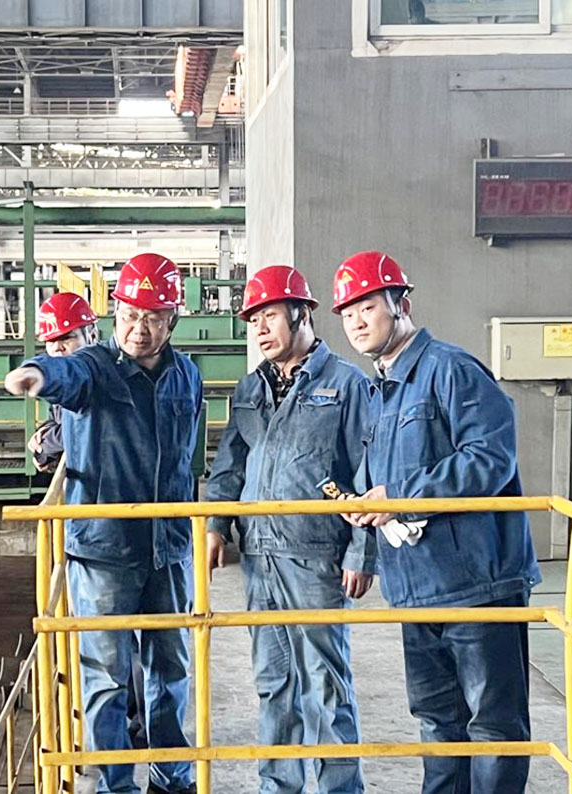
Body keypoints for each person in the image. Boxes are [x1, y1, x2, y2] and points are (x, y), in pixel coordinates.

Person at [332, 250, 542, 794]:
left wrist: (398, 496)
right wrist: (365, 504)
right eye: (348, 313)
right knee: (437, 722)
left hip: (478, 585)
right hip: (418, 586)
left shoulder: (451, 369)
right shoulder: (380, 390)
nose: (356, 322)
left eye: (367, 307)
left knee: (492, 726)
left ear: (401, 305)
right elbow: (383, 475)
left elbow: (491, 459)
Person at [5, 253, 202, 794]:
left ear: (172, 320)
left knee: (171, 673)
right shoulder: (93, 367)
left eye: (153, 317)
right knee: (106, 679)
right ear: (115, 313)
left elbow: (188, 459)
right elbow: (62, 372)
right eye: (131, 315)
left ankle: (172, 779)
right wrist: (36, 374)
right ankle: (117, 786)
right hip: (103, 552)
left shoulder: (187, 376)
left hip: (169, 550)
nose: (139, 329)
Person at [206, 265, 374, 794]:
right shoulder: (250, 389)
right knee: (272, 681)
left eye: (270, 315)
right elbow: (229, 465)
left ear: (301, 314)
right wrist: (215, 524)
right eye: (253, 319)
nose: (259, 328)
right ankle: (278, 786)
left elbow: (367, 473)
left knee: (325, 682)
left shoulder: (346, 384)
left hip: (315, 553)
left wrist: (361, 552)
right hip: (259, 555)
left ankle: (339, 789)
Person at [28, 292, 99, 471]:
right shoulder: (63, 383)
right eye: (50, 340)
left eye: (67, 338)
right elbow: (58, 422)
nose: (57, 347)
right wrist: (44, 434)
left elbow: (83, 429)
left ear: (92, 337)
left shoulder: (101, 375)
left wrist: (45, 445)